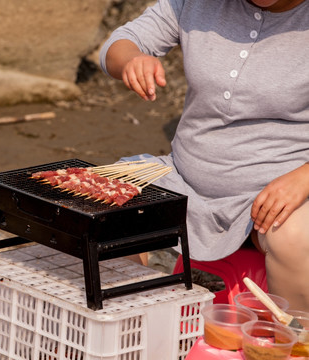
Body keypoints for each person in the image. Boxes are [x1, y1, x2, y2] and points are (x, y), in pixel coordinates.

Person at [100, 0, 309, 312]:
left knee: (295, 236)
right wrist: (132, 60)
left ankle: (294, 344)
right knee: (98, 208)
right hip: (182, 178)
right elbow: (117, 46)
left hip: (276, 193)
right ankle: (132, 332)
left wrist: (304, 177)